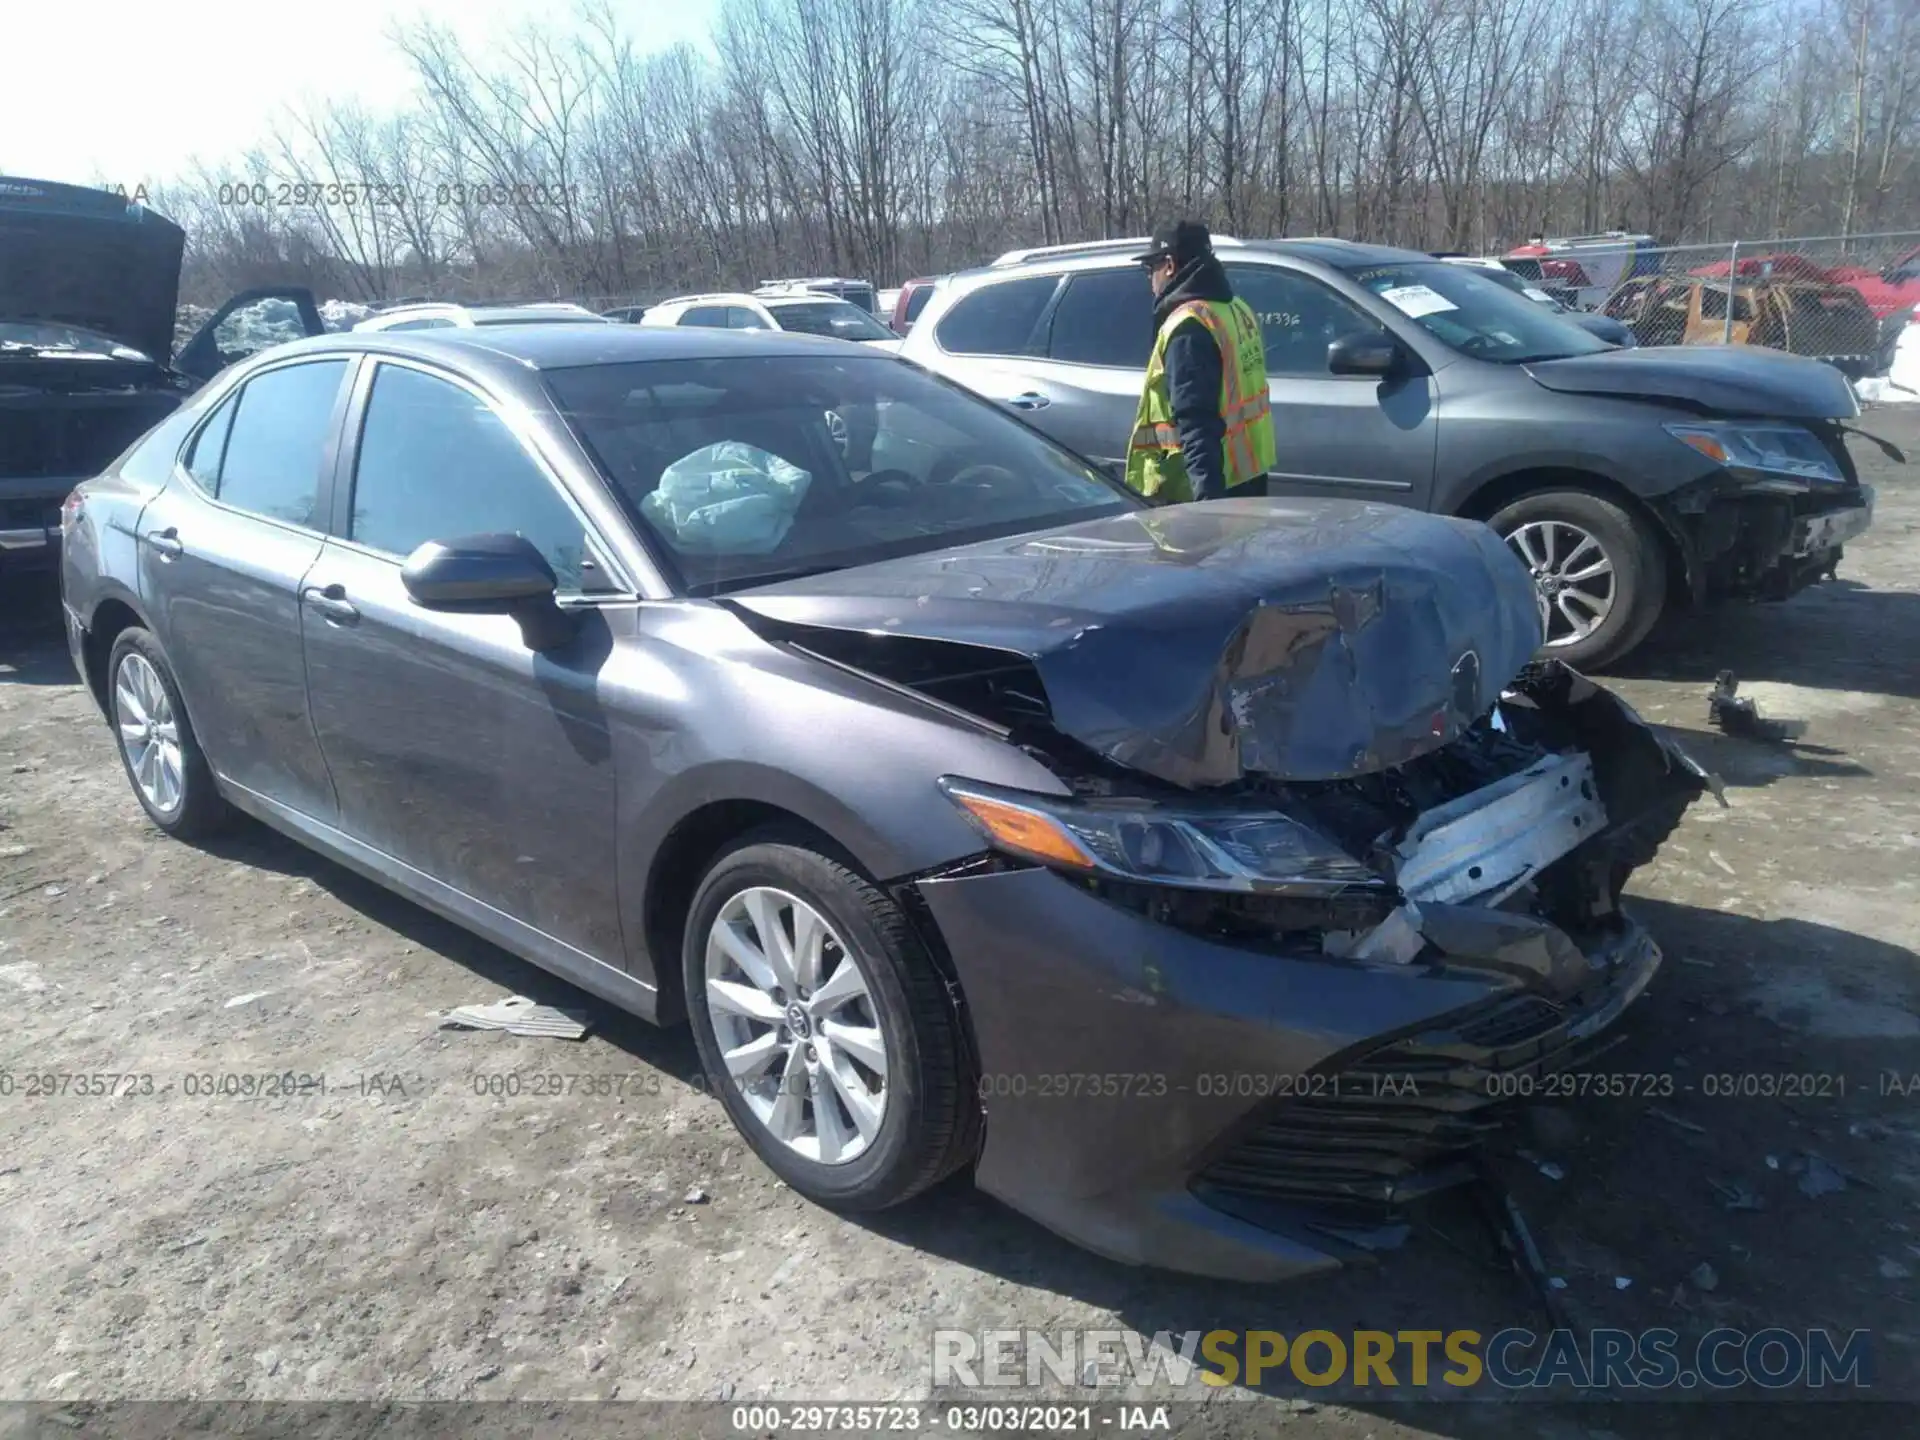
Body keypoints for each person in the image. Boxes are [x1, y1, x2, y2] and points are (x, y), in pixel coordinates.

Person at [1124, 219, 1276, 504]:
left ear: (1169, 265)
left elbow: (1197, 424)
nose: (1149, 277)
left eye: (1150, 267)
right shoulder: (1236, 308)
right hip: (1248, 479)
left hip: (1200, 495)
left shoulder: (1189, 326)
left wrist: (1208, 509)